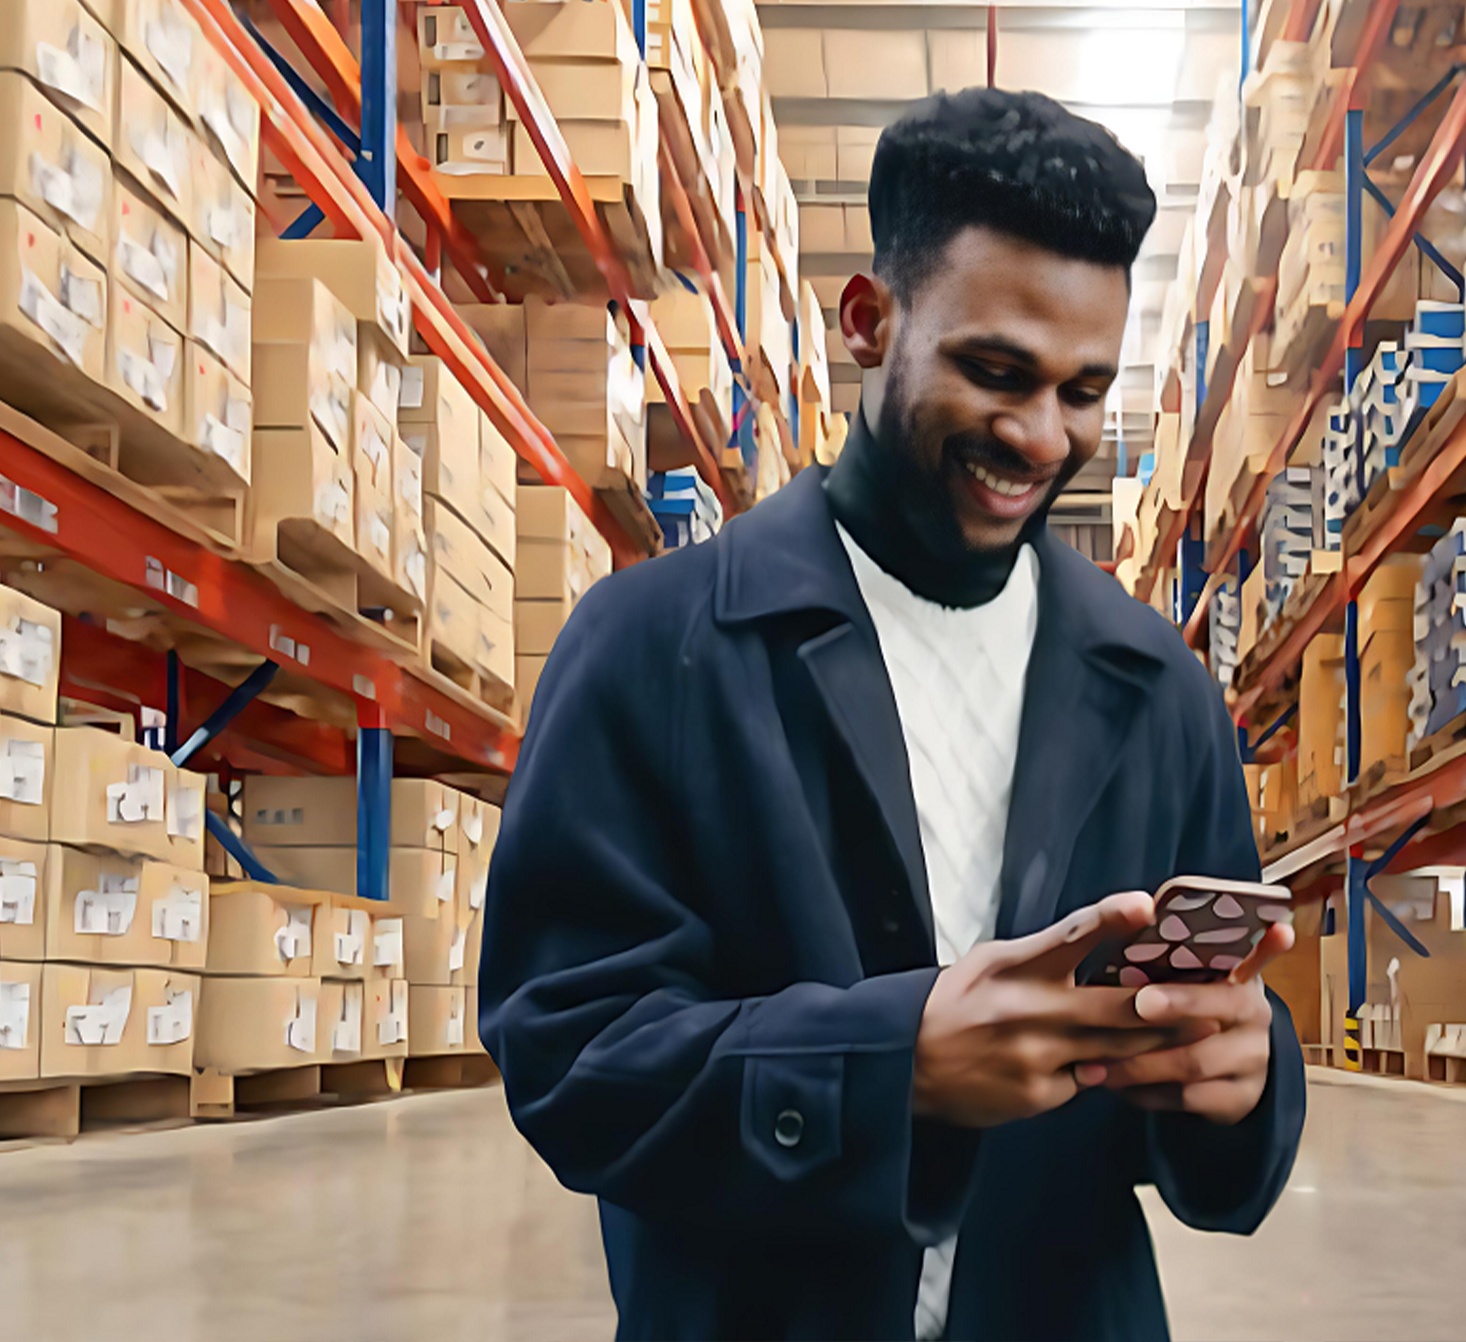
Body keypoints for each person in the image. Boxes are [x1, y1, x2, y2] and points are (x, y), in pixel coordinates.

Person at [481, 88, 1307, 1341]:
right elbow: (570, 1057)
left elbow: (1201, 1085)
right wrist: (891, 1066)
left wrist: (1242, 1080)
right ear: (870, 322)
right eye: (994, 371)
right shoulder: (655, 646)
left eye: (1083, 391)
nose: (1039, 436)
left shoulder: (1158, 692)